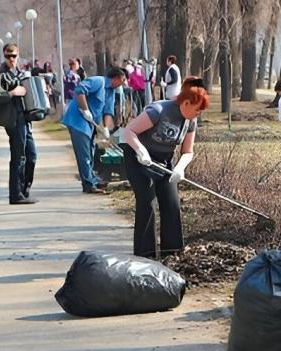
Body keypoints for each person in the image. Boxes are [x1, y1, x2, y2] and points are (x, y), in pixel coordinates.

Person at [121, 77, 208, 259]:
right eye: (197, 109)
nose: (198, 114)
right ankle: (146, 255)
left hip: (164, 162)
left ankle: (172, 253)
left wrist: (181, 167)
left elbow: (188, 151)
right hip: (139, 159)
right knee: (147, 202)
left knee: (171, 203)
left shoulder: (190, 121)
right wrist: (140, 150)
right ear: (185, 102)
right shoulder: (159, 110)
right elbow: (128, 131)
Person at [61, 67, 128, 194]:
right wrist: (84, 109)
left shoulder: (111, 92)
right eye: (123, 80)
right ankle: (88, 184)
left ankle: (92, 179)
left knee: (91, 151)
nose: (123, 84)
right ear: (116, 78)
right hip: (78, 121)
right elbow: (79, 90)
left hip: (90, 124)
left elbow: (108, 111)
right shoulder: (98, 81)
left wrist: (107, 129)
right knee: (84, 154)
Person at [0, 44, 37, 205]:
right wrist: (12, 93)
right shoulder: (1, 74)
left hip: (25, 119)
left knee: (32, 156)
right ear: (4, 56)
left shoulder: (20, 73)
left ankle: (24, 189)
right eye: (8, 56)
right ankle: (16, 194)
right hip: (13, 120)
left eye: (13, 56)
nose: (11, 59)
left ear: (18, 55)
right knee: (18, 157)